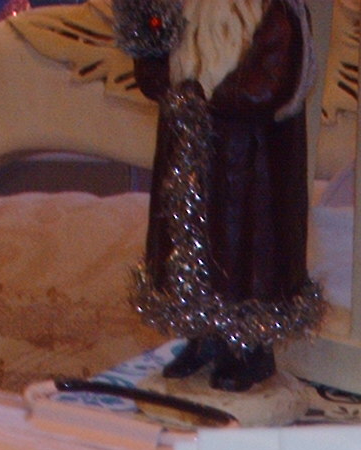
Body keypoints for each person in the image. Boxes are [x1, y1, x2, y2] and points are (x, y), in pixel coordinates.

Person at [115, 0, 324, 391]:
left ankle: (250, 351)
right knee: (188, 250)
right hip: (188, 158)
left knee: (247, 260)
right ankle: (202, 338)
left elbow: (270, 84)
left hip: (251, 165)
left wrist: (206, 100)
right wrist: (147, 37)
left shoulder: (276, 13)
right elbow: (155, 71)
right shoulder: (182, 9)